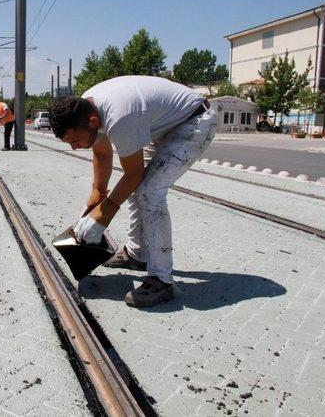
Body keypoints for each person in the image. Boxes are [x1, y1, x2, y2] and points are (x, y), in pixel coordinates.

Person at [49, 75, 217, 308]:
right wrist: (97, 194)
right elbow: (102, 152)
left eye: (75, 140)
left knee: (149, 191)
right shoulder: (86, 107)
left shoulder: (120, 116)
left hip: (194, 121)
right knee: (137, 190)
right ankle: (137, 255)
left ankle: (161, 279)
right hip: (164, 125)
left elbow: (133, 174)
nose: (74, 147)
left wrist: (101, 218)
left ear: (93, 121)